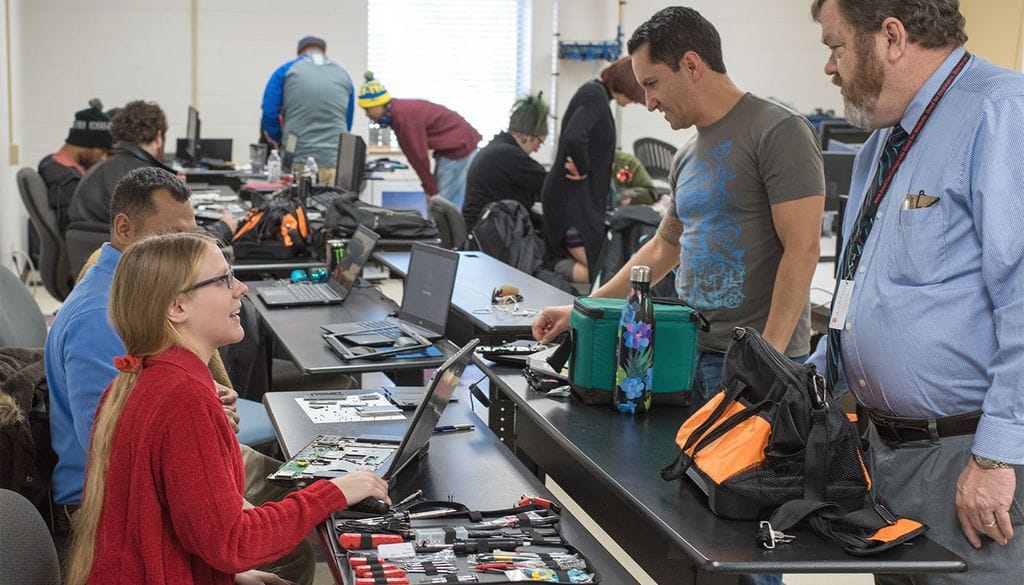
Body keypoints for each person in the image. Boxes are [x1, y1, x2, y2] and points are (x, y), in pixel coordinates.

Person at [534, 11, 825, 582]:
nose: (646, 102)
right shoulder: (691, 154)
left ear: (691, 65)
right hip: (687, 359)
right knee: (690, 524)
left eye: (652, 83)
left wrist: (763, 363)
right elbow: (660, 252)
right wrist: (584, 310)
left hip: (756, 370)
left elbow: (804, 250)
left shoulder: (777, 130)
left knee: (747, 539)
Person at [809, 1, 1024, 583]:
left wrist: (995, 459)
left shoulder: (1002, 112)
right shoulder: (885, 140)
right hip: (884, 457)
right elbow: (865, 284)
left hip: (966, 463)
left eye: (837, 47)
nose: (830, 67)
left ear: (892, 37)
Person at [62, 230, 389, 585]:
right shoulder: (184, 398)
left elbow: (174, 529)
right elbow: (233, 542)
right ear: (176, 307)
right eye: (223, 280)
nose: (241, 288)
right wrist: (335, 491)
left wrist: (234, 577)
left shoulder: (137, 377)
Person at [47, 168, 317, 584]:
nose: (183, 246)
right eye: (170, 237)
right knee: (289, 534)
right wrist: (196, 417)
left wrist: (205, 402)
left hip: (169, 450)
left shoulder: (128, 299)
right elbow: (108, 445)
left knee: (301, 484)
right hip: (105, 497)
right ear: (124, 228)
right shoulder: (100, 318)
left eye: (190, 235)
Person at [540, 56, 645, 284]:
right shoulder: (594, 96)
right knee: (604, 273)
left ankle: (550, 267)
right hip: (572, 204)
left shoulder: (596, 95)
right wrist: (583, 167)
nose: (637, 102)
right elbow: (574, 136)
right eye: (636, 97)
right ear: (626, 86)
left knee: (605, 272)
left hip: (577, 202)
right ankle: (547, 269)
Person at [68, 100, 234, 241]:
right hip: (140, 270)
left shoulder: (97, 169)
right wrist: (222, 229)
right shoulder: (145, 183)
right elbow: (177, 246)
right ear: (158, 137)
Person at [358, 71, 482, 209]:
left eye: (368, 109)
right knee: (440, 203)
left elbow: (418, 156)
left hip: (459, 149)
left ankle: (444, 231)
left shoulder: (403, 117)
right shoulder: (399, 111)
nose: (367, 114)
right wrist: (430, 188)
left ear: (379, 104)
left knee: (444, 205)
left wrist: (431, 190)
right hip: (455, 146)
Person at [260, 35, 354, 184]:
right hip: (334, 159)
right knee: (331, 203)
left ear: (300, 53)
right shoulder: (343, 75)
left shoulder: (285, 71)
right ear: (323, 52)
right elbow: (347, 120)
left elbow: (269, 113)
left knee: (295, 205)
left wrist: (278, 139)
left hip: (297, 158)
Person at [462, 92, 549, 229]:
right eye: (539, 142)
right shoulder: (509, 155)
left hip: (481, 226)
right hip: (491, 232)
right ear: (527, 136)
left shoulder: (497, 148)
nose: (537, 149)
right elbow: (548, 185)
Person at [38, 98, 112, 234]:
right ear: (87, 144)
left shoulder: (51, 162)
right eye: (102, 151)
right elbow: (72, 226)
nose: (103, 157)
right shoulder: (67, 181)